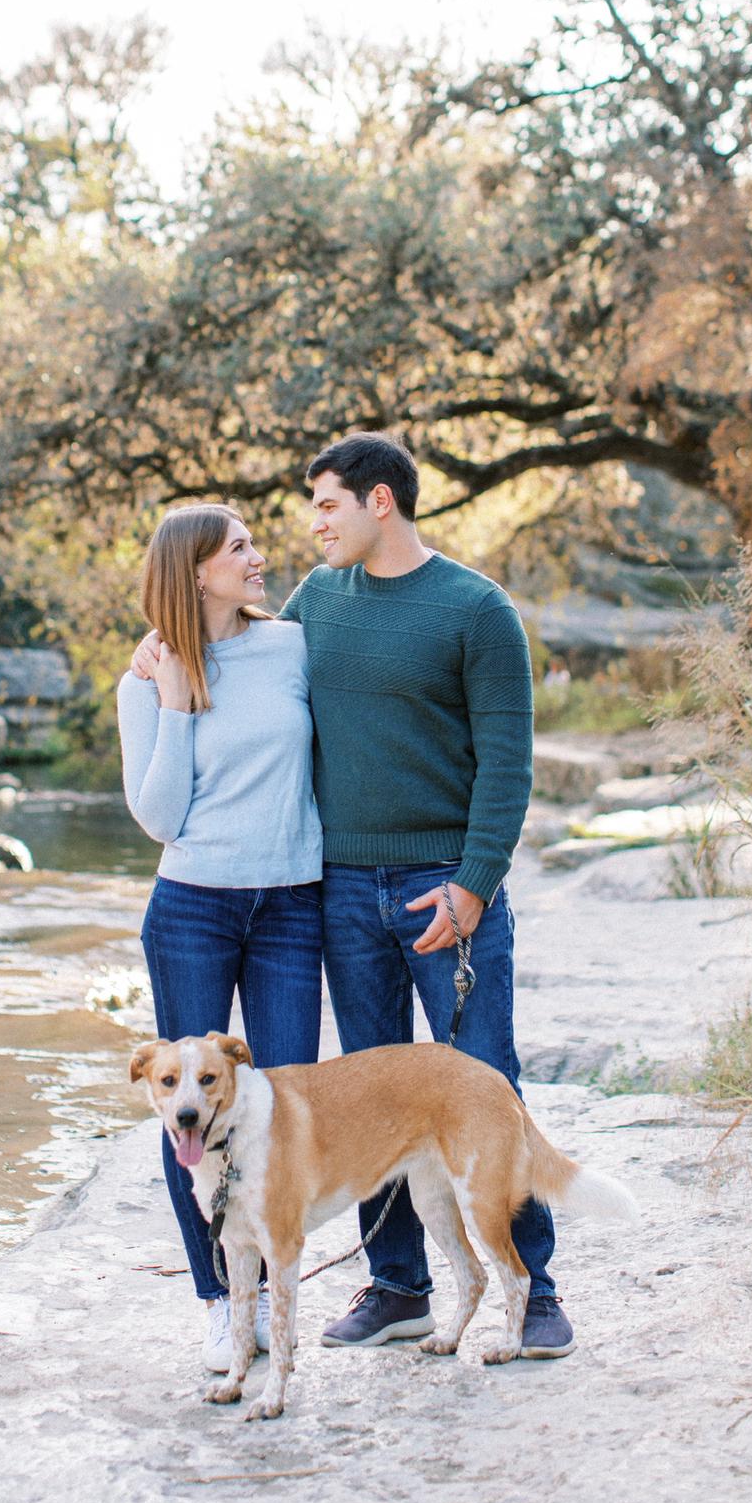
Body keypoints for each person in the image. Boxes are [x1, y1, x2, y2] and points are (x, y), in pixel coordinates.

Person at [134, 431, 570, 1357]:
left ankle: (533, 1295)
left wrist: (476, 883)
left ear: (381, 501)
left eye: (326, 505)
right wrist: (157, 653)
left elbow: (508, 762)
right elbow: (224, 643)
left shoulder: (475, 609)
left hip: (441, 891)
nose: (310, 527)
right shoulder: (315, 607)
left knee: (486, 1073)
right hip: (335, 890)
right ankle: (398, 1286)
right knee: (371, 1095)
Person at [117, 504, 323, 1374]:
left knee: (277, 1112)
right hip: (193, 907)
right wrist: (173, 702)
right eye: (240, 547)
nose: (259, 555)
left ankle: (274, 1302)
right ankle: (216, 1303)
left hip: (289, 906)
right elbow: (160, 817)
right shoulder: (147, 678)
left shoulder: (292, 647)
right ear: (197, 570)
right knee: (188, 1116)